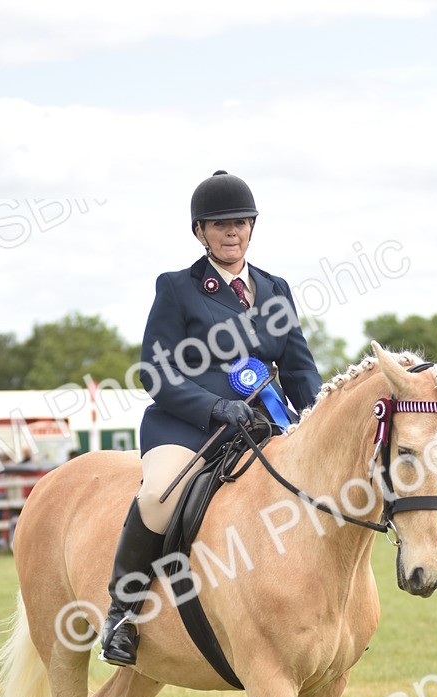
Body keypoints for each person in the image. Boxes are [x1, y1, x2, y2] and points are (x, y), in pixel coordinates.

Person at [99, 170, 323, 667]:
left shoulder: (275, 289)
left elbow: (300, 367)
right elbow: (155, 371)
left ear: (252, 228)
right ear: (200, 232)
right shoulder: (177, 288)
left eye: (241, 222)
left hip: (263, 426)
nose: (231, 232)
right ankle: (122, 612)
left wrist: (315, 421)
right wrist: (212, 405)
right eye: (219, 224)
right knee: (160, 496)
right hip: (188, 428)